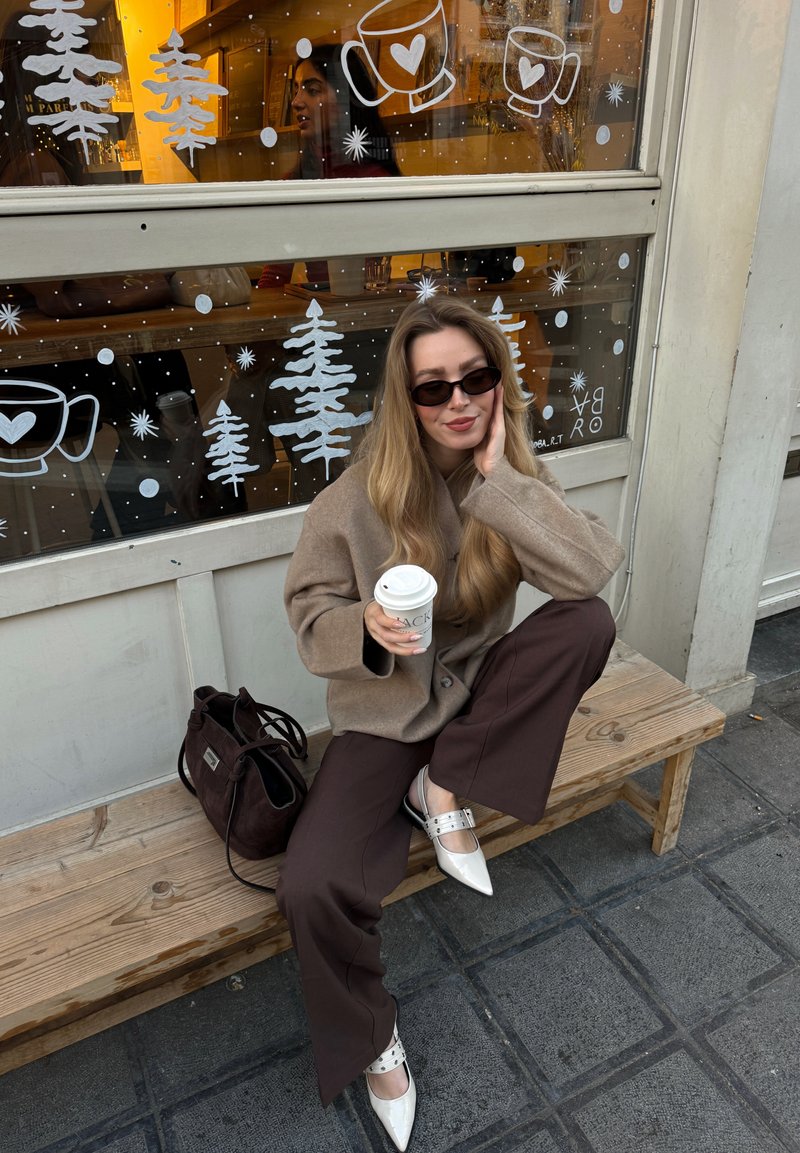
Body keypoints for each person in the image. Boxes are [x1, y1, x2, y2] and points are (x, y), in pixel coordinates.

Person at [278, 296, 625, 1149]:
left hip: (477, 704)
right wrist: (363, 625)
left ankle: (444, 787)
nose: (458, 400)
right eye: (434, 388)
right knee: (313, 881)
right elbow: (304, 612)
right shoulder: (354, 498)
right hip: (384, 718)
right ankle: (370, 1037)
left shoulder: (513, 480)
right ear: (406, 398)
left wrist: (501, 483)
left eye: (476, 378)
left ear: (499, 384)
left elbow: (586, 573)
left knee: (587, 622)